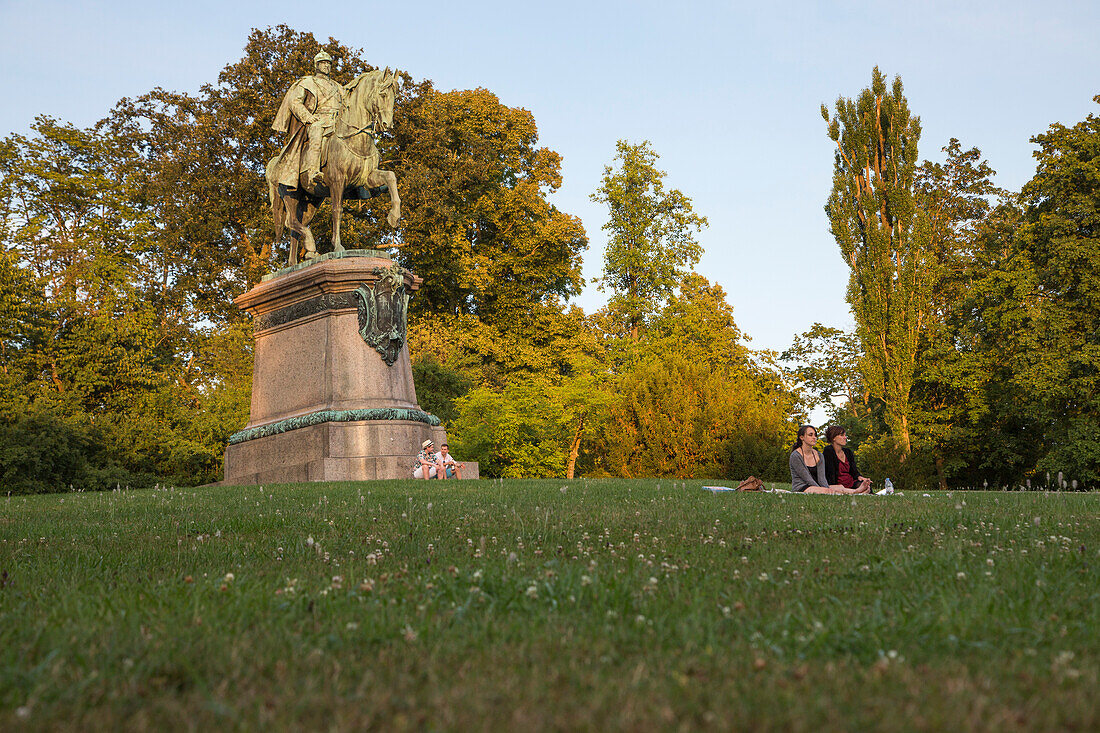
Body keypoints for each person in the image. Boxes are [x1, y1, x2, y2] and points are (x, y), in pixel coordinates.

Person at [271, 50, 345, 192]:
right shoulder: (307, 82)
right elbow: (294, 102)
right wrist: (308, 117)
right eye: (323, 63)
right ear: (317, 65)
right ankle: (313, 172)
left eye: (329, 63)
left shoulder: (338, 87)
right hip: (318, 120)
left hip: (337, 122)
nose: (326, 66)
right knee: (316, 131)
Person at [789, 425, 869, 494]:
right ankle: (855, 492)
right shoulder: (796, 456)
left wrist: (827, 487)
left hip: (817, 485)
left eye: (815, 435)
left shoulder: (819, 455)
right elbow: (807, 478)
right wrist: (824, 489)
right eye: (810, 435)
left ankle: (857, 491)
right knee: (827, 491)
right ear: (802, 437)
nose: (814, 438)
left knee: (840, 487)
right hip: (802, 487)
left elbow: (822, 478)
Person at [822, 426, 872, 493]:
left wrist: (861, 478)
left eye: (845, 435)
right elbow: (830, 474)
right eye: (842, 435)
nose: (845, 437)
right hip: (838, 485)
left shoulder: (848, 452)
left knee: (867, 487)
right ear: (833, 438)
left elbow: (854, 472)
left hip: (850, 483)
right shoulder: (828, 451)